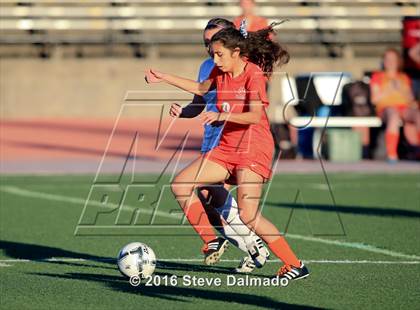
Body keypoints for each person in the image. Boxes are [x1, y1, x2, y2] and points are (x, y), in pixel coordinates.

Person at [145, 22, 309, 280]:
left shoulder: (253, 74)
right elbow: (200, 90)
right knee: (180, 185)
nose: (214, 59)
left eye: (219, 54)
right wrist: (163, 77)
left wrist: (222, 115)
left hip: (253, 148)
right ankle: (211, 240)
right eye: (212, 53)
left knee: (249, 215)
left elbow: (255, 116)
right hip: (227, 147)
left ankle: (295, 264)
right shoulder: (219, 72)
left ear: (236, 52)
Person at [170, 17, 269, 273]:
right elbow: (198, 103)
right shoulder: (207, 66)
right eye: (205, 43)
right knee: (206, 196)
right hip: (210, 136)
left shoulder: (242, 65)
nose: (208, 48)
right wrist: (183, 112)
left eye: (212, 41)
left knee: (213, 194)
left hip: (234, 139)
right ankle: (248, 245)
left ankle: (251, 244)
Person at [370, 48, 420, 162]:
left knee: (418, 115)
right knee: (394, 115)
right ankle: (392, 154)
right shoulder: (378, 76)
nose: (390, 62)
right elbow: (374, 100)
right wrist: (388, 89)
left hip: (404, 108)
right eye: (387, 59)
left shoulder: (403, 77)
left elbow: (410, 99)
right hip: (386, 109)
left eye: (393, 59)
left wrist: (400, 89)